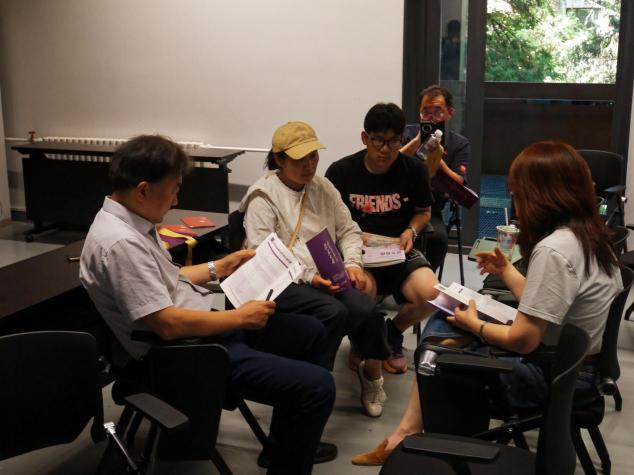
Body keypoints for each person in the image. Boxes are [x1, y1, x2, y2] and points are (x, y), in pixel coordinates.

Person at [351, 140, 623, 466]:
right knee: (444, 327)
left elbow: (523, 340)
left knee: (439, 351)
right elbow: (546, 301)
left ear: (542, 197)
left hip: (551, 375)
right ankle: (407, 432)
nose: (517, 205)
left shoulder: (554, 250)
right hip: (574, 367)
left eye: (518, 195)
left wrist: (475, 324)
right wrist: (506, 269)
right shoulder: (591, 236)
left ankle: (425, 443)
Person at [79, 135, 336, 475]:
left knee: (312, 332)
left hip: (200, 331)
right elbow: (167, 324)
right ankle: (288, 455)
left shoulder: (131, 221)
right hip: (184, 354)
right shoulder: (120, 243)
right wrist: (239, 318)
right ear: (142, 190)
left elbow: (167, 278)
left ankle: (284, 445)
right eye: (173, 190)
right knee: (318, 387)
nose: (176, 200)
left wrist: (221, 266)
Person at [239, 121, 391, 418]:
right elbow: (263, 254)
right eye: (300, 159)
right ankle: (313, 385)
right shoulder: (263, 196)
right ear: (279, 159)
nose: (309, 165)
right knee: (333, 313)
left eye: (313, 156)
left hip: (327, 273)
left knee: (367, 311)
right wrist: (309, 277)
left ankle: (371, 373)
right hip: (283, 280)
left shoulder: (323, 187)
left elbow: (349, 230)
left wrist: (352, 264)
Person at [326, 103, 440, 375]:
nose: (386, 149)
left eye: (393, 141)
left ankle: (391, 332)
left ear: (402, 139)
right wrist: (351, 241)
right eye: (378, 140)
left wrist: (410, 232)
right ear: (365, 138)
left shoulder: (414, 169)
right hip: (358, 254)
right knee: (360, 293)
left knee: (432, 294)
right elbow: (326, 221)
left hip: (399, 250)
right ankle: (364, 338)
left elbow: (423, 212)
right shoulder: (342, 172)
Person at [401, 85, 471, 272]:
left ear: (449, 113)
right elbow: (392, 162)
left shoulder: (459, 143)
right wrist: (418, 142)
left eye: (438, 111)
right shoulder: (408, 133)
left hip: (432, 205)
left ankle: (423, 275)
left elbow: (459, 181)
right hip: (399, 201)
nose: (431, 117)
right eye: (426, 111)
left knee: (438, 240)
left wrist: (437, 159)